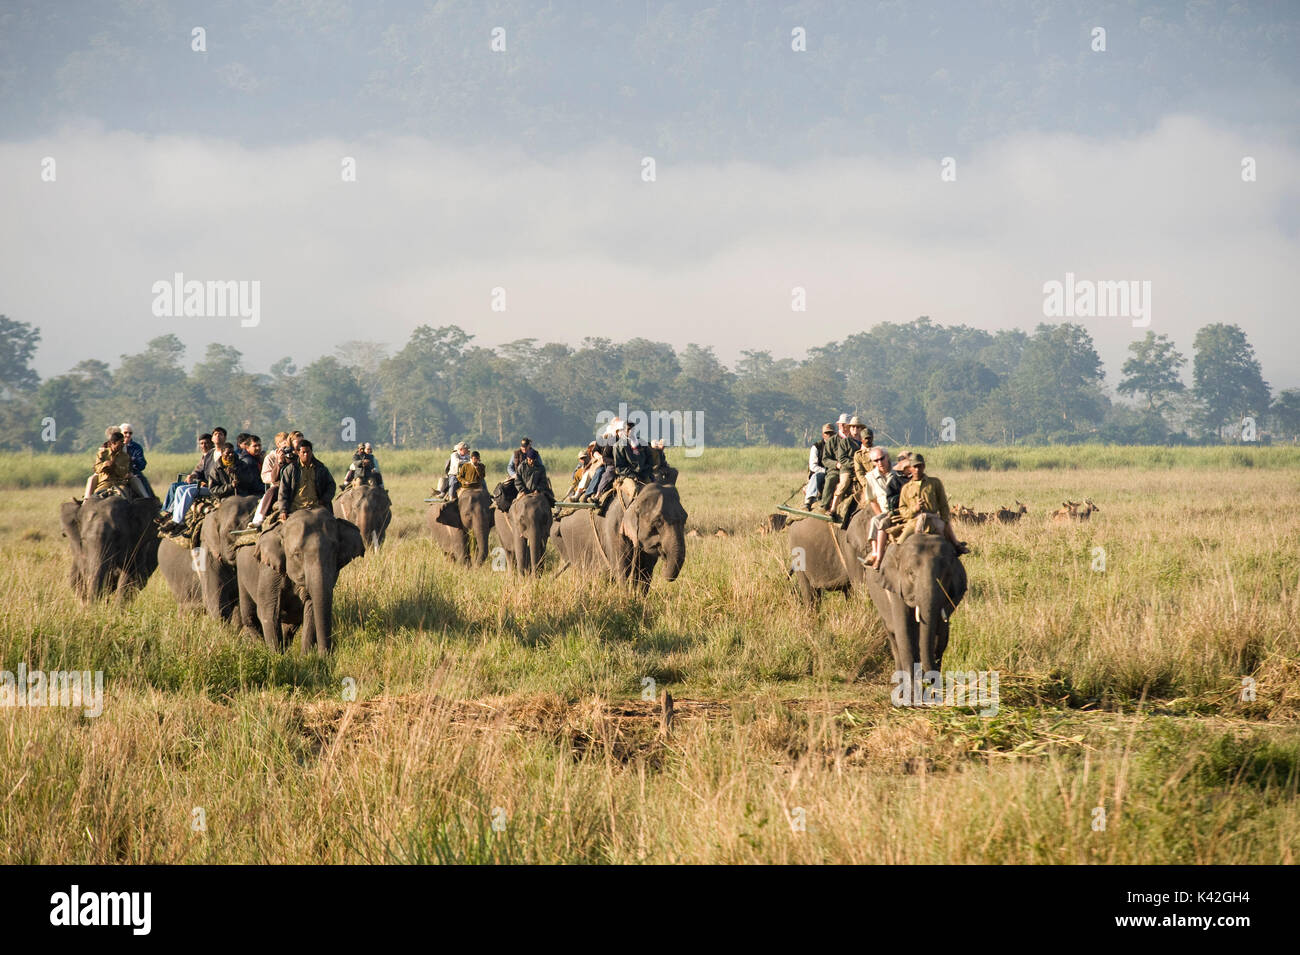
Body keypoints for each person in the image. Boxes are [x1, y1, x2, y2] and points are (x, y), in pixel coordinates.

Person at [895, 453, 968, 554]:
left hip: (934, 520)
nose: (917, 469)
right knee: (898, 546)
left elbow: (943, 504)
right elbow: (902, 509)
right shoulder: (906, 488)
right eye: (914, 467)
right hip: (914, 522)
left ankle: (957, 546)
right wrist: (914, 509)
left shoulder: (935, 483)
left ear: (924, 466)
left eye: (919, 466)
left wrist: (945, 520)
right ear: (910, 468)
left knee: (952, 548)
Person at [862, 447, 906, 567]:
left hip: (904, 509)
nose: (880, 462)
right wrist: (881, 514)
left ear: (888, 457)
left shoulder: (899, 471)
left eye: (882, 458)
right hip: (886, 511)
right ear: (872, 462)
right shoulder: (870, 477)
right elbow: (872, 500)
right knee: (876, 520)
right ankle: (875, 553)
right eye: (876, 460)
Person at [276, 439, 336, 520]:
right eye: (303, 452)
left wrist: (324, 500)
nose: (306, 454)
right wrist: (283, 510)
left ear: (311, 452)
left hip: (317, 508)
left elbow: (331, 485)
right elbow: (283, 491)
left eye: (308, 452)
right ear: (298, 453)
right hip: (296, 509)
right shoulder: (291, 469)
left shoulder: (320, 468)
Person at [251, 432, 293, 527]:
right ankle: (259, 518)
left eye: (289, 442)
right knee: (271, 491)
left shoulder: (294, 456)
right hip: (278, 487)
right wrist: (279, 476)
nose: (288, 445)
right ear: (278, 444)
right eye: (285, 443)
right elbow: (265, 476)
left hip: (294, 486)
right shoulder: (270, 458)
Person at [83, 429, 138, 499]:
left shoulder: (125, 456)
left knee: (125, 498)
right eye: (121, 442)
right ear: (113, 443)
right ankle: (85, 503)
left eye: (123, 442)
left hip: (119, 483)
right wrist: (104, 465)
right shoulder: (102, 454)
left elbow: (124, 472)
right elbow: (96, 468)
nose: (123, 444)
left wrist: (115, 467)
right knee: (94, 499)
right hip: (104, 483)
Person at [119, 422, 153, 498]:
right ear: (120, 433)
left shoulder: (137, 447)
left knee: (143, 480)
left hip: (133, 472)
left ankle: (149, 501)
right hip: (115, 473)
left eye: (130, 433)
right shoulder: (114, 445)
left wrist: (132, 461)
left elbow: (142, 464)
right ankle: (88, 500)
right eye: (125, 432)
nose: (128, 435)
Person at [805, 423, 833, 509]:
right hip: (821, 473)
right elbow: (813, 466)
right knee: (816, 476)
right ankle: (809, 500)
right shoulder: (816, 447)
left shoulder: (838, 446)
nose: (829, 435)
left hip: (834, 472)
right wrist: (826, 471)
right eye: (826, 433)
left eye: (831, 433)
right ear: (823, 434)